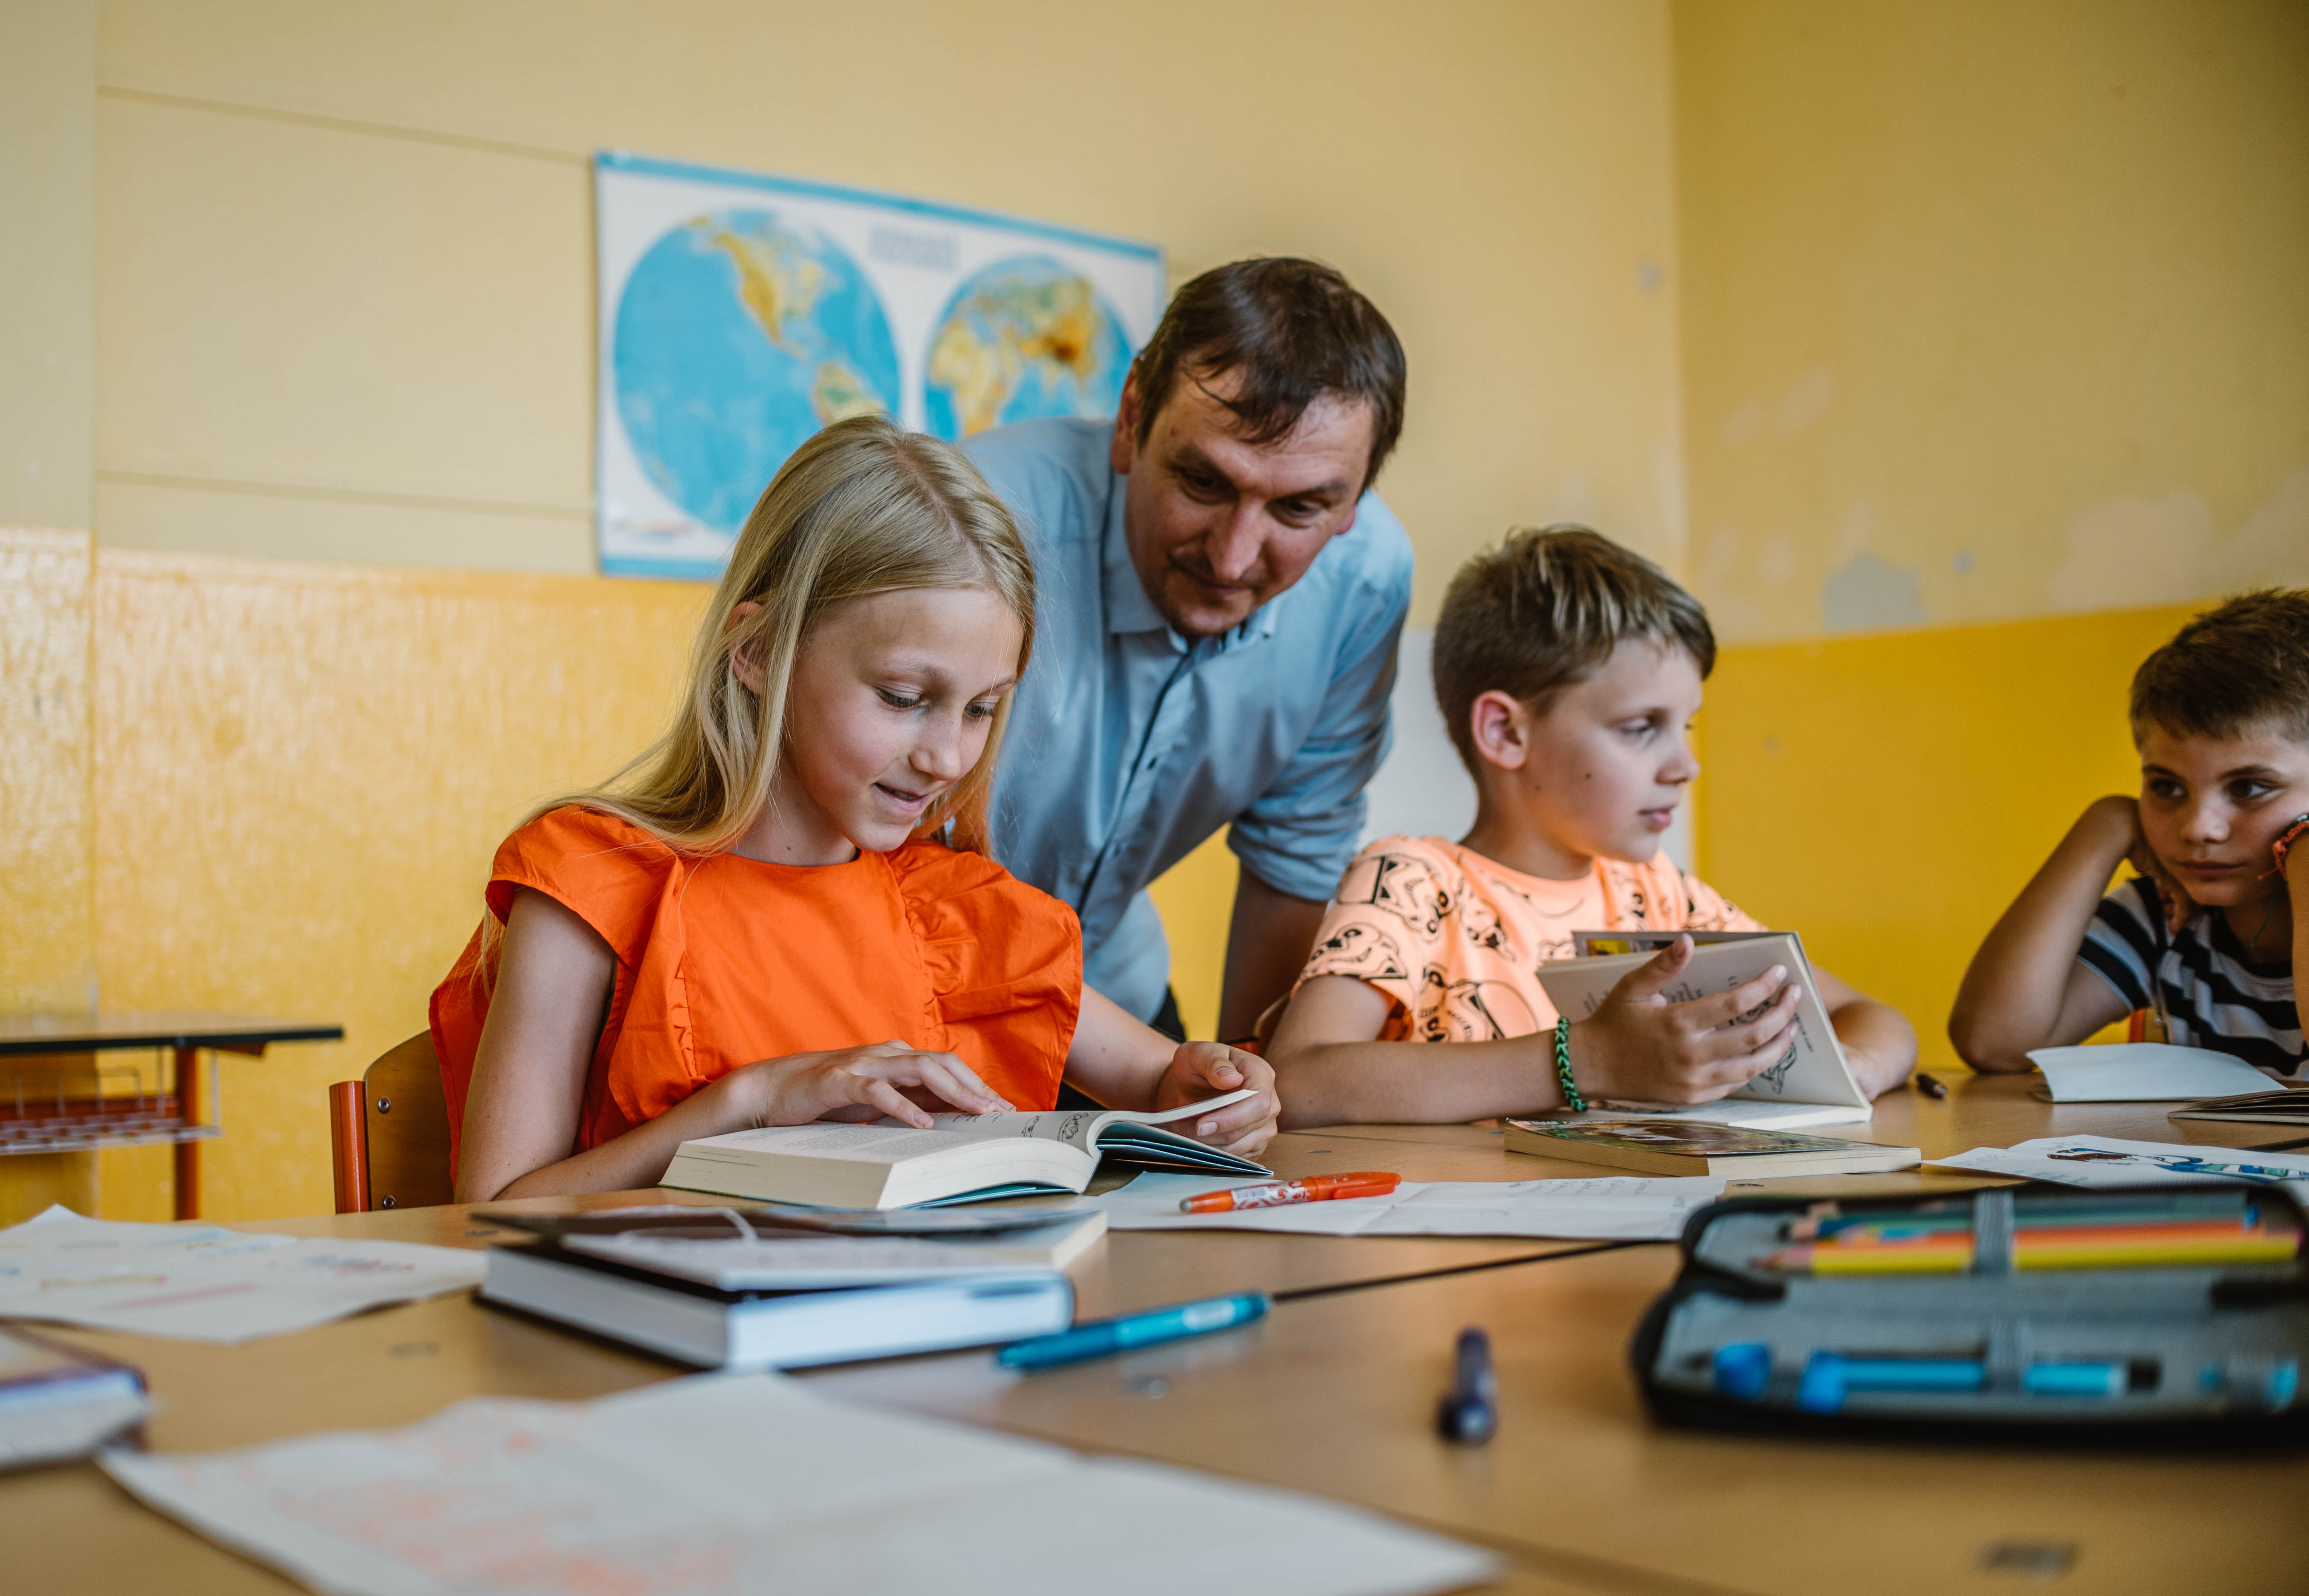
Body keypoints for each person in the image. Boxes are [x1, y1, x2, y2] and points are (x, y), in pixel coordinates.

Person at [433, 416, 1278, 1202]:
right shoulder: (593, 882)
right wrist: (754, 1100)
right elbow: (490, 1217)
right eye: (905, 697)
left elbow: (1171, 1086)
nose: (949, 756)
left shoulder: (961, 914)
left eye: (983, 708)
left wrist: (1220, 1089)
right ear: (759, 651)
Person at [1264, 526, 1916, 1128]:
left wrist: (1857, 1068)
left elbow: (1874, 1018)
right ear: (1506, 732)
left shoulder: (1659, 893)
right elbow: (1299, 1079)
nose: (1686, 765)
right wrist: (1590, 1060)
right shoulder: (1412, 881)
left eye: (1684, 726)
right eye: (1641, 728)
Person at [963, 257, 1411, 1043]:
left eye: (1300, 507)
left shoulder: (1365, 581)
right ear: (1133, 416)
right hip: (902, 991)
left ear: (1357, 498)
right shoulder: (973, 524)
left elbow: (1296, 859)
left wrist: (1249, 1104)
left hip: (1109, 985)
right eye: (1203, 482)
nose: (1234, 558)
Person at [1949, 590, 2309, 1078]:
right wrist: (2108, 823)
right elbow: (1995, 1043)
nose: (2198, 828)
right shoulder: (2168, 917)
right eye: (2165, 787)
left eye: (2248, 788)